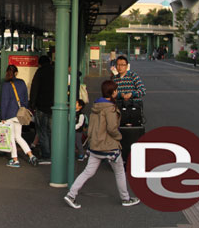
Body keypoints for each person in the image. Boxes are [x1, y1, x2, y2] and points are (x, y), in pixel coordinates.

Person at [64, 80, 140, 209]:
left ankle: (71, 194)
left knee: (88, 171)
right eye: (116, 90)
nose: (117, 92)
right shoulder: (110, 108)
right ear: (113, 92)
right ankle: (125, 198)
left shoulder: (96, 106)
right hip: (109, 146)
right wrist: (118, 137)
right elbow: (112, 128)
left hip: (95, 145)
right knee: (120, 172)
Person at [0, 65, 38, 168]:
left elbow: (4, 102)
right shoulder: (21, 83)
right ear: (16, 73)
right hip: (19, 114)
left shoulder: (6, 85)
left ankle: (15, 159)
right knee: (18, 136)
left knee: (11, 137)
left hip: (9, 114)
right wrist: (23, 108)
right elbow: (26, 98)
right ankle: (31, 155)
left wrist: (3, 117)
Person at [29, 55, 54, 164]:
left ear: (40, 63)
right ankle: (54, 153)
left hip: (42, 106)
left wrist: (32, 104)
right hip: (54, 107)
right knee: (51, 131)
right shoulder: (55, 72)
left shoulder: (40, 72)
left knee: (42, 131)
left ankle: (46, 155)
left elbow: (34, 88)